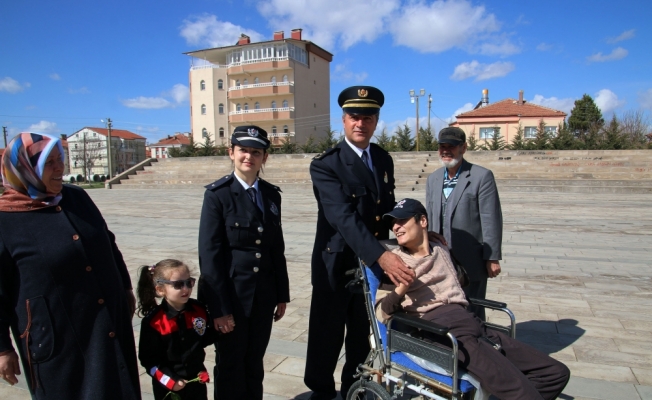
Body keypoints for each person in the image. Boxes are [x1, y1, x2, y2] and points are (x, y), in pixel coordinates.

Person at [378, 198, 570, 400]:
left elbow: (462, 278)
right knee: (521, 390)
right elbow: (384, 310)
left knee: (555, 373)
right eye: (393, 223)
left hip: (473, 322)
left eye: (402, 221)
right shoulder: (395, 261)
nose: (395, 227)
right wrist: (402, 289)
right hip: (444, 332)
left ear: (423, 221)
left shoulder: (441, 248)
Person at [0, 132, 141, 399]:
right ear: (26, 170)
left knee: (118, 387)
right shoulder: (5, 220)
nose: (59, 168)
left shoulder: (76, 197)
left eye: (59, 159)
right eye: (49, 163)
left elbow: (107, 243)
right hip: (55, 335)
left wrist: (125, 288)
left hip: (105, 322)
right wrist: (2, 349)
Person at [304, 86, 416, 400]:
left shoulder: (381, 158)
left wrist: (417, 230)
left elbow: (388, 209)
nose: (360, 123)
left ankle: (355, 389)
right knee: (326, 337)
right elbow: (343, 217)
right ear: (343, 119)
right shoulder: (326, 164)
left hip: (370, 267)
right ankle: (321, 392)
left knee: (360, 337)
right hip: (336, 265)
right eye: (354, 116)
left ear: (376, 121)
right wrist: (382, 256)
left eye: (368, 117)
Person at [197, 125, 290, 400]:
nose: (248, 157)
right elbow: (210, 255)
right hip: (232, 299)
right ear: (231, 153)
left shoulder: (271, 195)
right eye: (243, 151)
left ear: (265, 158)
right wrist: (219, 309)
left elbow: (276, 248)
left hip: (263, 297)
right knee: (230, 364)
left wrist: (281, 294)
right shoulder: (218, 195)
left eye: (256, 152)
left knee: (254, 363)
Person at [425, 126, 503, 321]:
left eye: (451, 146)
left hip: (470, 260)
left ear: (463, 148)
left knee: (473, 309)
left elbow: (490, 218)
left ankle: (478, 347)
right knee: (444, 309)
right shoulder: (433, 179)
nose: (446, 150)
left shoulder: (481, 177)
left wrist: (492, 257)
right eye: (442, 146)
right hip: (440, 259)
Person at [137, 259, 216, 400]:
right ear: (160, 290)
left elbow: (202, 339)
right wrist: (169, 380)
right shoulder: (154, 321)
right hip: (169, 386)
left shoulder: (199, 310)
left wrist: (220, 329)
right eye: (178, 285)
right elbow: (148, 360)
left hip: (196, 382)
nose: (186, 288)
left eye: (189, 282)